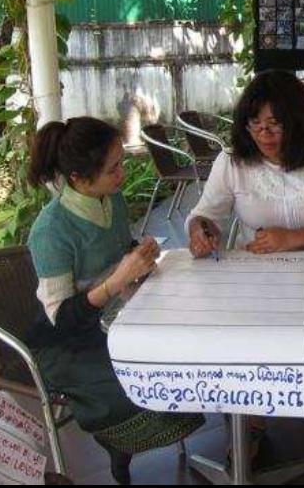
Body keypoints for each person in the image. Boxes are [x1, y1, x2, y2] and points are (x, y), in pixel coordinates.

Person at [186, 69, 304, 453]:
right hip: (258, 276)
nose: (263, 135)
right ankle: (251, 418)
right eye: (254, 124)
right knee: (245, 340)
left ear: (297, 122)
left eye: (274, 124)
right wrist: (202, 229)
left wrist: (293, 239)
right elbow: (206, 212)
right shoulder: (233, 161)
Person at [26, 116, 204, 485]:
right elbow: (62, 317)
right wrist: (119, 278)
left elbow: (119, 248)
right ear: (78, 177)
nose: (122, 174)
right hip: (66, 344)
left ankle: (125, 444)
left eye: (121, 163)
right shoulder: (51, 231)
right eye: (113, 169)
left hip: (117, 317)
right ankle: (118, 445)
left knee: (182, 355)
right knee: (138, 380)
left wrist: (138, 252)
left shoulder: (111, 199)